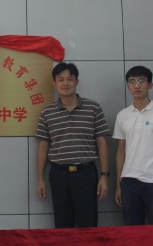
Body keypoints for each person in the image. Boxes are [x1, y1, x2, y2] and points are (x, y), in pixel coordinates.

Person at [36, 62, 109, 228]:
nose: (65, 83)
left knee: (88, 224)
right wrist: (40, 179)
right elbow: (43, 146)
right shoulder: (47, 112)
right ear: (54, 83)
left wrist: (104, 175)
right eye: (61, 79)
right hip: (58, 174)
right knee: (62, 225)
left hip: (86, 174)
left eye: (70, 79)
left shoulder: (93, 108)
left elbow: (102, 142)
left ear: (77, 82)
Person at [113, 65, 153, 225]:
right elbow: (120, 152)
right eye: (132, 81)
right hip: (129, 180)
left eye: (141, 81)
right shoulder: (122, 115)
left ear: (150, 85)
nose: (137, 85)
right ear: (128, 86)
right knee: (133, 230)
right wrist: (118, 185)